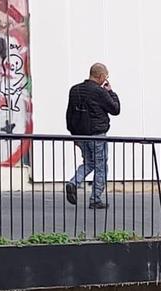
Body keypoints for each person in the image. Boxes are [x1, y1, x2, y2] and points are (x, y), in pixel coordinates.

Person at [64, 63, 120, 209]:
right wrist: (110, 92)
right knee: (101, 166)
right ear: (101, 76)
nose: (106, 79)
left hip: (81, 135)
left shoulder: (75, 90)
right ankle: (95, 199)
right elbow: (115, 109)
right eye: (106, 76)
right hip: (97, 135)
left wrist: (74, 135)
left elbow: (69, 115)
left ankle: (73, 182)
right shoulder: (99, 92)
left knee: (89, 162)